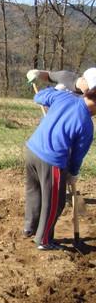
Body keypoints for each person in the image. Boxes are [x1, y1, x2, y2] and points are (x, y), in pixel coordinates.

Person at [24, 67, 96, 251]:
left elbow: (39, 97)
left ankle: (30, 228)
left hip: (31, 150)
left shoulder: (64, 97)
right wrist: (72, 174)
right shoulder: (86, 125)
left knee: (34, 192)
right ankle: (44, 240)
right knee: (55, 203)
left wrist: (56, 90)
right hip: (51, 161)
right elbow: (77, 156)